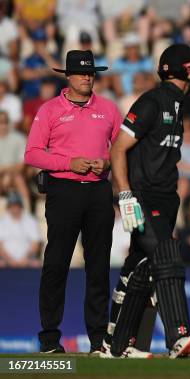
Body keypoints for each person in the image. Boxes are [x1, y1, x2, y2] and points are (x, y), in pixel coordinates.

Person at [104, 43, 190, 359]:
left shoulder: (178, 105)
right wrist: (124, 195)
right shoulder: (151, 102)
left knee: (142, 268)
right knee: (165, 254)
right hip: (143, 196)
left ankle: (117, 346)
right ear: (181, 72)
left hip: (166, 197)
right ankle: (179, 335)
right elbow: (118, 149)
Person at [24, 50, 121, 354]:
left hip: (97, 193)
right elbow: (32, 154)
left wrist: (106, 163)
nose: (87, 77)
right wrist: (69, 163)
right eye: (81, 72)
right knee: (56, 264)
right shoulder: (50, 109)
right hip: (63, 190)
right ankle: (50, 339)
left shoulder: (108, 109)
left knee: (98, 267)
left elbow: (121, 150)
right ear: (68, 76)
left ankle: (97, 340)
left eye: (91, 72)